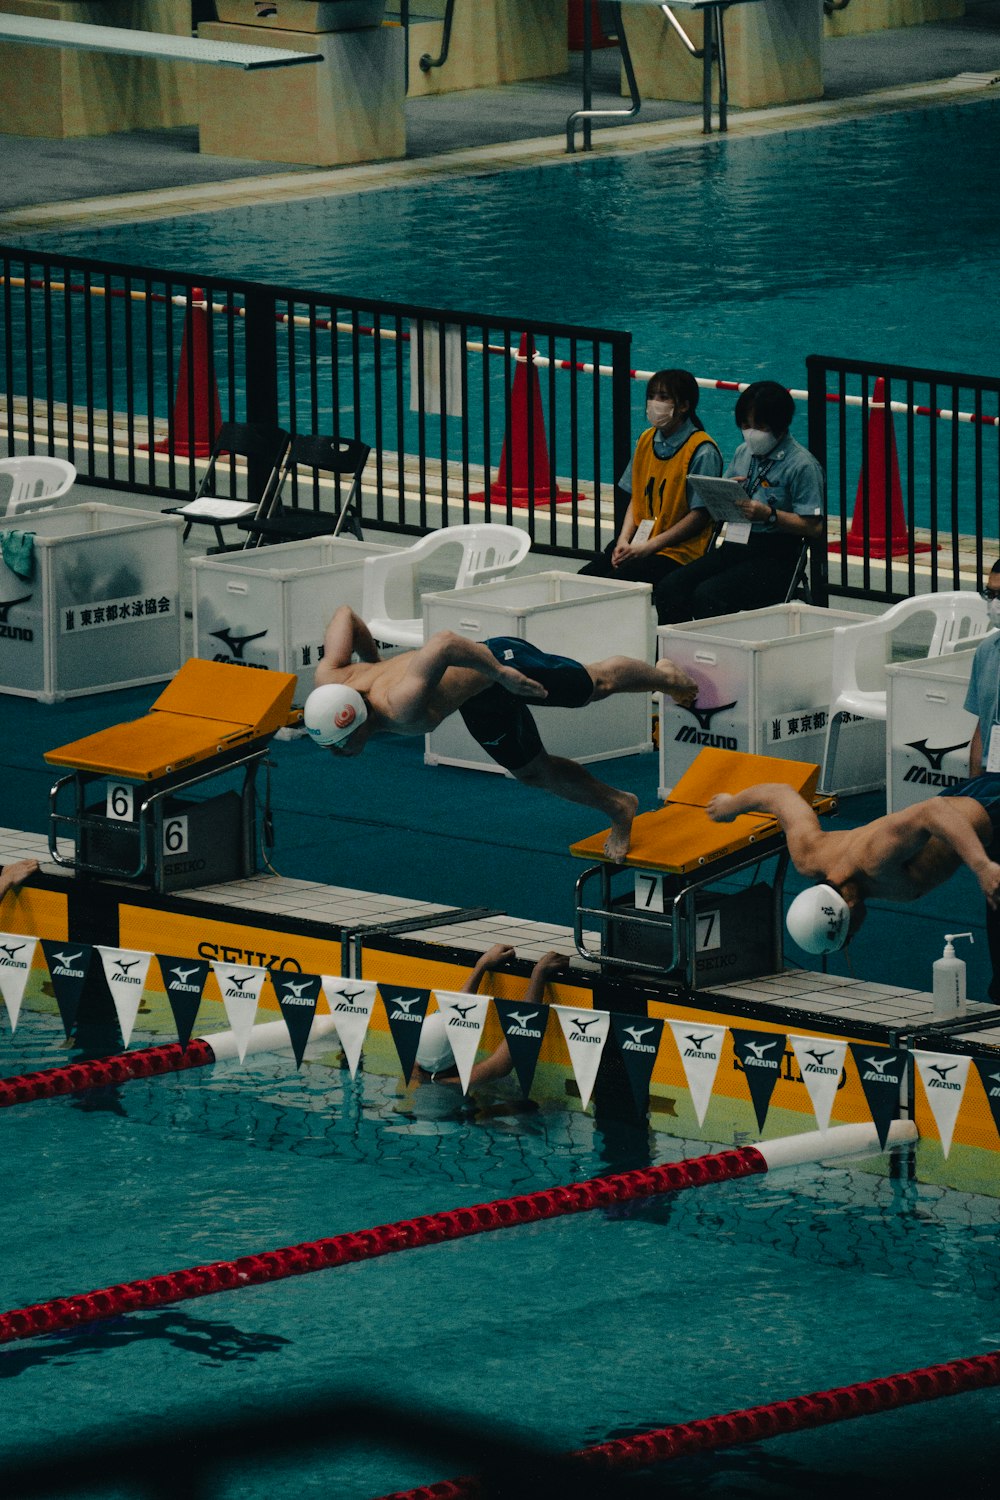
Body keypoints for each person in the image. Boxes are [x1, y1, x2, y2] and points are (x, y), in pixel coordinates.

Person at [306, 606, 698, 862]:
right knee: (531, 772)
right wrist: (373, 661)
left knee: (595, 685)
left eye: (339, 745)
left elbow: (444, 643)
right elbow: (343, 615)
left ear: (356, 718)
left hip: (497, 661)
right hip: (477, 695)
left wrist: (500, 673)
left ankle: (667, 678)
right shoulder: (330, 679)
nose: (337, 754)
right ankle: (619, 806)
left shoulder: (400, 704)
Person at [706, 779, 1000, 956]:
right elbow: (778, 796)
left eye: (852, 932)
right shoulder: (808, 857)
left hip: (990, 810)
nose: (858, 931)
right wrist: (731, 807)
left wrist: (982, 867)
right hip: (966, 811)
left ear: (848, 902)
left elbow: (932, 810)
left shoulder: (874, 860)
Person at [656, 380, 825, 624]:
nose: (751, 432)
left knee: (708, 596)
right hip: (735, 545)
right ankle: (672, 659)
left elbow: (813, 527)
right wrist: (722, 494)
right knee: (670, 587)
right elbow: (720, 505)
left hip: (776, 554)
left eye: (760, 426)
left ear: (779, 426)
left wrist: (770, 514)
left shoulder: (802, 465)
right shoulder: (742, 452)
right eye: (746, 425)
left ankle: (716, 658)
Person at [579, 368, 721, 617]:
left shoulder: (702, 451)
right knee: (583, 581)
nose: (656, 403)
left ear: (685, 405)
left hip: (677, 551)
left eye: (664, 397)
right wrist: (624, 540)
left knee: (620, 583)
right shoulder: (646, 440)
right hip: (640, 543)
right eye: (653, 395)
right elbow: (637, 496)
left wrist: (648, 547)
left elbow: (700, 516)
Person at [412, 944, 568, 1087]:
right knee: (523, 1106)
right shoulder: (462, 1081)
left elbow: (457, 1010)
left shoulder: (417, 1066)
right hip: (461, 1111)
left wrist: (481, 965)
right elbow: (519, 1039)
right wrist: (539, 974)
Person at [957, 559, 1000, 996]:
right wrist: (973, 794)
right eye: (990, 594)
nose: (994, 603)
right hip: (992, 786)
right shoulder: (987, 652)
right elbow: (979, 729)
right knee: (995, 895)